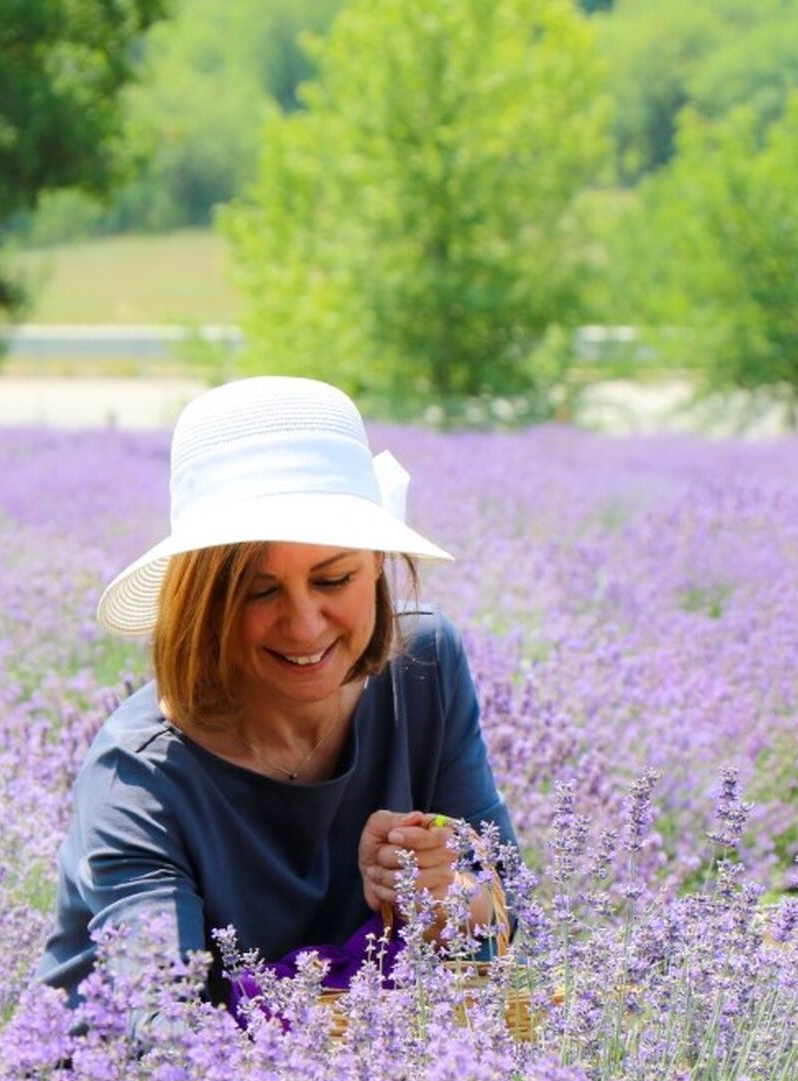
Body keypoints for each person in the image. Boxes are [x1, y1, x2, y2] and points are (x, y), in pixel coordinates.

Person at [36, 376, 516, 1012]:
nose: (304, 625)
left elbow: (515, 914)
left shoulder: (423, 668)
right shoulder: (140, 778)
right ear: (206, 604)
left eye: (333, 578)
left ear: (376, 562)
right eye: (259, 592)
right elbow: (155, 1032)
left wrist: (446, 898)